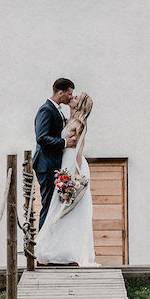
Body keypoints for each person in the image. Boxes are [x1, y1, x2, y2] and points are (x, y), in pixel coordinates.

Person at [34, 91, 96, 267]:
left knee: (69, 209)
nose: (72, 98)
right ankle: (53, 251)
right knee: (56, 207)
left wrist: (76, 174)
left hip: (72, 166)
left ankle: (71, 253)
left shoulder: (80, 123)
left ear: (80, 104)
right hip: (63, 163)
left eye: (75, 97)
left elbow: (79, 149)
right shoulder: (67, 118)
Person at [34, 78, 76, 230]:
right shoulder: (46, 110)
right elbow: (42, 137)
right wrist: (64, 143)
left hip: (53, 164)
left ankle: (49, 241)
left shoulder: (56, 109)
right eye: (69, 94)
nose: (71, 97)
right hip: (46, 164)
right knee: (49, 203)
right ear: (60, 92)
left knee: (54, 203)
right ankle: (42, 245)